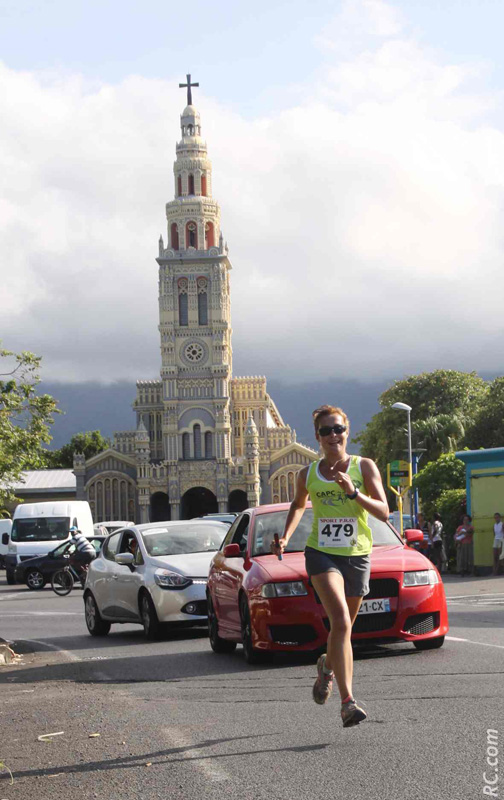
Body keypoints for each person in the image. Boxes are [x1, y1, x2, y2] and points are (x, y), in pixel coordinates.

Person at [271, 405, 389, 728]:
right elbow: (298, 505)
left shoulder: (363, 467)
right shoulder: (307, 474)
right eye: (326, 431)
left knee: (343, 629)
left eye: (338, 429)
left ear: (346, 432)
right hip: (321, 554)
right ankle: (348, 703)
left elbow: (384, 511)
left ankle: (326, 666)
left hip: (357, 555)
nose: (333, 435)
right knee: (340, 620)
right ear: (318, 437)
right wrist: (285, 536)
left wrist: (354, 493)